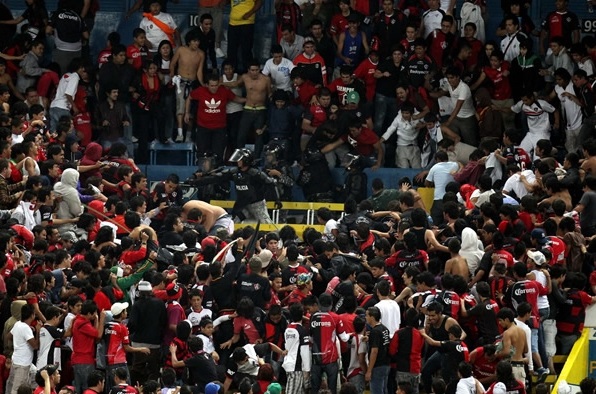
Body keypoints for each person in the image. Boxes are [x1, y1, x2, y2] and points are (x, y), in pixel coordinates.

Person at [194, 148, 281, 223]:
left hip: (257, 205)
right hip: (242, 204)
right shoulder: (234, 172)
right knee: (232, 223)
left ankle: (278, 241)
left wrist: (277, 199)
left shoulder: (255, 173)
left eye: (240, 159)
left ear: (246, 160)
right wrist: (196, 182)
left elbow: (271, 183)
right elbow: (216, 178)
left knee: (268, 226)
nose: (237, 161)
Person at [185, 73, 246, 160]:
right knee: (202, 154)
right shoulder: (200, 91)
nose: (214, 88)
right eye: (212, 86)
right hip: (203, 127)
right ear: (207, 85)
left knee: (218, 154)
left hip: (219, 129)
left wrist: (249, 100)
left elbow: (236, 98)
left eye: (216, 85)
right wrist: (187, 112)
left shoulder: (224, 91)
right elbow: (189, 98)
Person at [170, 31, 205, 142]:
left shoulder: (201, 54)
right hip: (180, 81)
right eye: (195, 41)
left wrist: (203, 84)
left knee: (190, 109)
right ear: (189, 41)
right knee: (180, 107)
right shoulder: (181, 50)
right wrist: (173, 77)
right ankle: (180, 134)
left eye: (198, 41)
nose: (197, 43)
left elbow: (199, 71)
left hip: (193, 83)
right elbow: (172, 64)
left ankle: (188, 136)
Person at [72, 300, 106, 394]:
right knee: (87, 388)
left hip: (80, 360)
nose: (95, 314)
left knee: (79, 388)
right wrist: (101, 319)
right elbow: (99, 335)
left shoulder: (80, 321)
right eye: (94, 313)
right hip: (84, 361)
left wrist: (96, 320)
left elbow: (95, 336)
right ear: (88, 313)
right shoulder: (82, 323)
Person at [6, 304, 38, 394]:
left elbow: (8, 336)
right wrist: (38, 330)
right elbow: (35, 346)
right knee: (17, 389)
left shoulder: (18, 324)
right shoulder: (25, 328)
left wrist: (20, 338)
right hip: (22, 364)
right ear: (32, 315)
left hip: (15, 360)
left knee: (11, 385)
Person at [365, 306, 391, 394]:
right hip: (386, 364)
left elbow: (374, 351)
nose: (365, 318)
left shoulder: (375, 332)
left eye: (367, 315)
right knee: (384, 390)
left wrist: (369, 370)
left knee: (377, 391)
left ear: (372, 317)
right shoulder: (385, 329)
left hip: (377, 366)